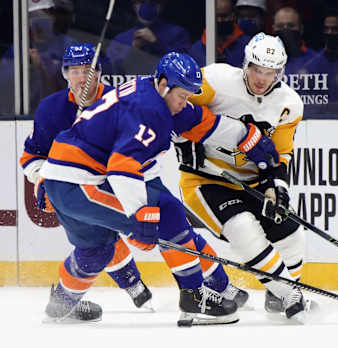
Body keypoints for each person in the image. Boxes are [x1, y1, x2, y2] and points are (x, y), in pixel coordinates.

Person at [35, 51, 272, 325]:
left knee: (96, 250)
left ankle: (60, 305)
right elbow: (122, 167)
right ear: (163, 84)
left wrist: (248, 137)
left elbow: (202, 122)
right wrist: (139, 214)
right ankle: (194, 299)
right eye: (182, 96)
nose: (185, 103)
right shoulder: (149, 111)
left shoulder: (156, 94)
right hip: (81, 183)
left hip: (63, 181)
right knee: (168, 212)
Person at [176, 33, 307, 323]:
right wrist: (185, 143)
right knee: (243, 228)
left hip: (253, 182)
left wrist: (278, 188)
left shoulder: (290, 104)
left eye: (270, 72)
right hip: (206, 179)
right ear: (245, 64)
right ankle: (290, 293)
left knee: (293, 233)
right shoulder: (217, 79)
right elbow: (177, 104)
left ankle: (279, 297)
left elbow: (282, 154)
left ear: (280, 72)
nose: (261, 78)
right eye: (256, 69)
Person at [19, 43, 154, 318]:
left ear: (100, 73)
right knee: (99, 240)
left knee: (102, 238)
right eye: (76, 71)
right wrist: (45, 175)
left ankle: (68, 300)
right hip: (71, 187)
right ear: (65, 73)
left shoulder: (119, 102)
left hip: (111, 180)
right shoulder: (52, 108)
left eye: (88, 71)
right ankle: (132, 288)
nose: (82, 78)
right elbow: (30, 157)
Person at [0, 0, 76, 114]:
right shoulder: (17, 48)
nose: (37, 20)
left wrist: (42, 67)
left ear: (53, 17)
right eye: (32, 16)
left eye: (44, 14)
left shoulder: (69, 46)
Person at [106, 0, 191, 75]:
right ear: (133, 4)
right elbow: (111, 72)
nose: (147, 6)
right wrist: (133, 50)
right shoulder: (121, 39)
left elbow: (185, 67)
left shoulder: (177, 34)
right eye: (142, 1)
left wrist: (157, 43)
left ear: (162, 4)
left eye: (153, 1)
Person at [188, 0, 251, 68]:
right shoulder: (195, 51)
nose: (219, 20)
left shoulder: (248, 46)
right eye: (215, 16)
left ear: (233, 15)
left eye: (224, 16)